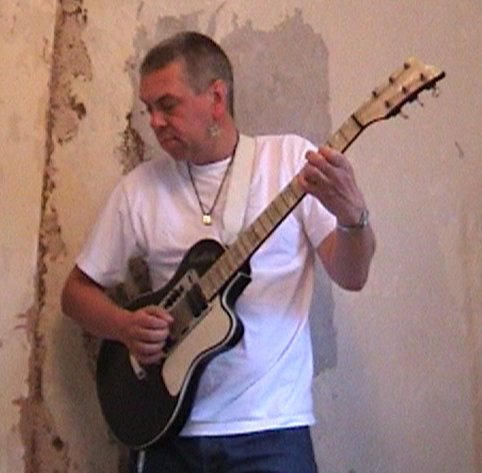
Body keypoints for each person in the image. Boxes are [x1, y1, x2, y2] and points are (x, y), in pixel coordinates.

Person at [61, 31, 376, 473]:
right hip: (166, 430)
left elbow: (352, 275)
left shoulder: (290, 162)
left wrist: (352, 217)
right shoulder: (139, 189)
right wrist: (125, 327)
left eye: (167, 105)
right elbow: (75, 294)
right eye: (148, 109)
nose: (155, 122)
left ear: (216, 98)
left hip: (272, 429)